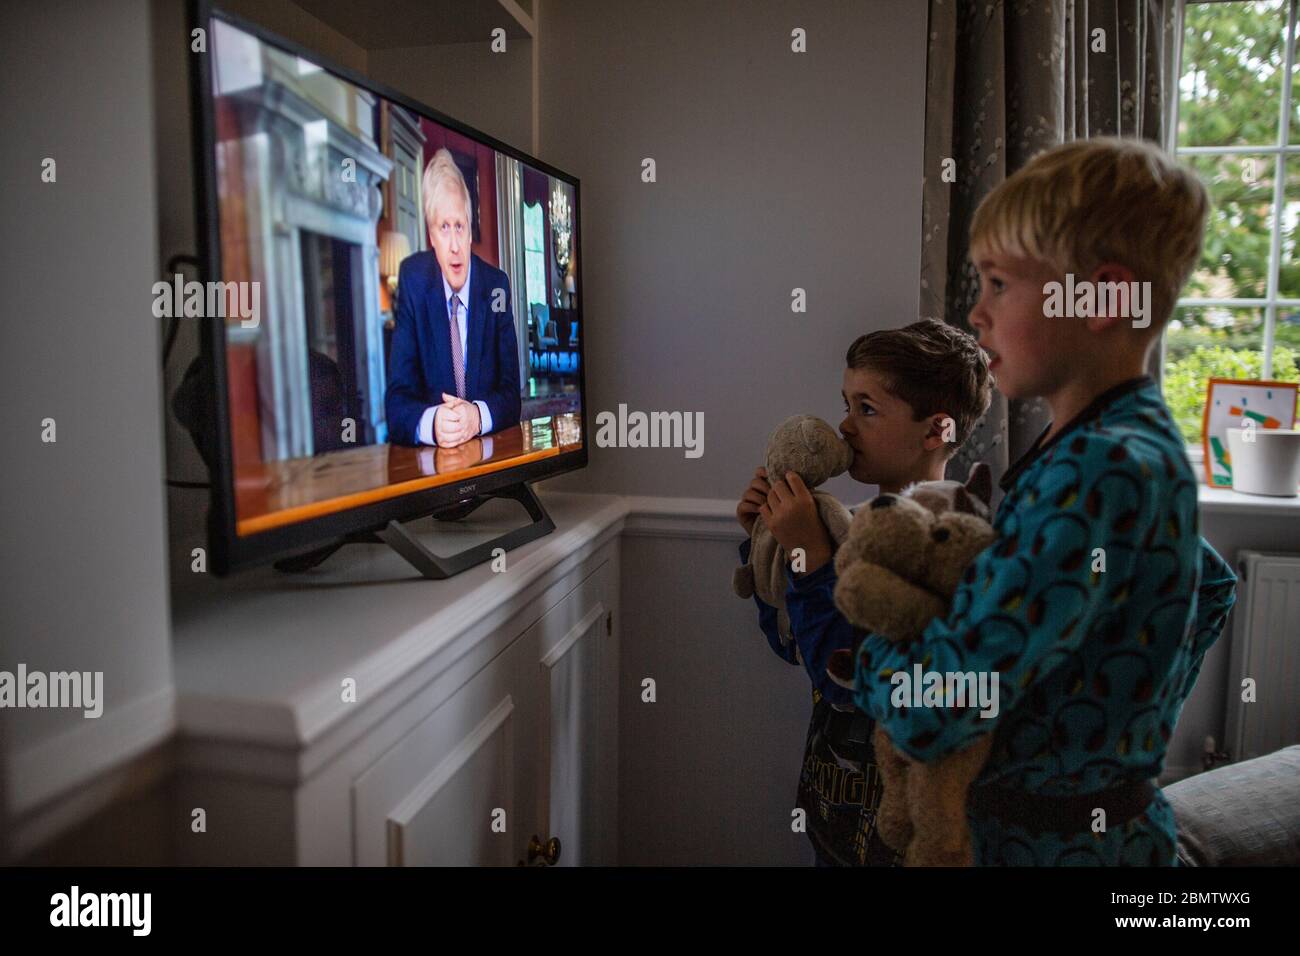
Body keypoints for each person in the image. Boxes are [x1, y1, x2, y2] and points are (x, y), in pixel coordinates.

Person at [767, 138, 1238, 865]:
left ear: (1102, 298)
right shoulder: (1125, 438)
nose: (977, 314)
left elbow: (934, 708)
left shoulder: (1096, 468)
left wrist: (872, 652)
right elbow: (1211, 586)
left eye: (998, 285)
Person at [736, 319, 993, 866]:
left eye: (867, 409)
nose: (845, 427)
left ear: (936, 431)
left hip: (900, 834)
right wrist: (768, 546)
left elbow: (845, 680)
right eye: (846, 404)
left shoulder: (951, 548)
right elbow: (795, 646)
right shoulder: (847, 526)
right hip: (833, 811)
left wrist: (809, 560)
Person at [386, 148, 521, 448]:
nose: (455, 245)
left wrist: (476, 416)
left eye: (459, 226)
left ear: (470, 230)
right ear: (431, 236)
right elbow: (396, 405)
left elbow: (512, 395)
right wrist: (433, 423)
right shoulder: (413, 280)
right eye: (443, 228)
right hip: (435, 471)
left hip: (487, 460)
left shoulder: (496, 285)